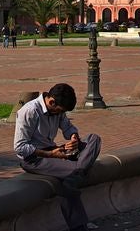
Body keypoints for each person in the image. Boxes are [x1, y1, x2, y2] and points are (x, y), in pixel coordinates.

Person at [14, 83, 102, 231]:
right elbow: (20, 147)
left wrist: (73, 138)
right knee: (69, 180)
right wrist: (50, 154)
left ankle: (76, 172)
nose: (60, 114)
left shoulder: (58, 109)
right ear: (52, 102)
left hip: (54, 150)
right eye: (60, 111)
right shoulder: (29, 111)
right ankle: (76, 175)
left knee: (94, 139)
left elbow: (67, 127)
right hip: (35, 158)